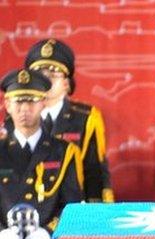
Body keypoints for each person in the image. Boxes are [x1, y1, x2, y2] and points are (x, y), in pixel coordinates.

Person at [0, 69, 83, 239]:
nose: (25, 109)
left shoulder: (64, 152)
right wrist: (1, 234)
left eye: (31, 101)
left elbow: (72, 206)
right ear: (7, 105)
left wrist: (47, 231)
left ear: (43, 103)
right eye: (19, 101)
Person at [20, 38, 113, 202]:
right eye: (39, 75)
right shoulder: (15, 118)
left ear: (66, 83)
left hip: (72, 209)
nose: (45, 82)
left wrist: (96, 217)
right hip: (28, 209)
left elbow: (94, 174)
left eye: (52, 75)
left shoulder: (85, 118)